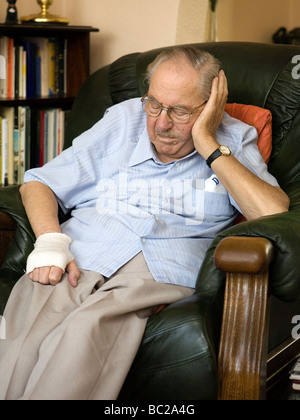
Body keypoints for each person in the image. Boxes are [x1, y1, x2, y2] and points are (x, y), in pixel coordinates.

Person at [0, 47, 289, 400]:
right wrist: (50, 241)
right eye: (154, 104)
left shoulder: (233, 138)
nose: (162, 123)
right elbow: (40, 183)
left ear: (210, 104)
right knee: (23, 343)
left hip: (161, 267)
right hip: (84, 249)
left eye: (181, 111)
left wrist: (207, 141)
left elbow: (272, 211)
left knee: (85, 330)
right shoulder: (123, 120)